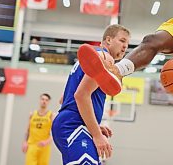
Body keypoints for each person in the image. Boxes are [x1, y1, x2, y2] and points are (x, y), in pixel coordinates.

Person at [51, 24, 130, 164]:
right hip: (73, 125)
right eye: (122, 41)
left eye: (128, 43)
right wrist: (97, 134)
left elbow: (63, 99)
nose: (125, 47)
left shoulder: (90, 57)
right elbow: (81, 95)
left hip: (71, 123)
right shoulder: (105, 58)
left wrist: (91, 123)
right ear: (109, 39)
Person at [22, 93, 54, 165]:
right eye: (42, 99)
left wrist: (47, 141)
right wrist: (25, 142)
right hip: (32, 145)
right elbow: (28, 130)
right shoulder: (32, 114)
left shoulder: (51, 115)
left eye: (46, 100)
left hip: (44, 146)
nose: (44, 101)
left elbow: (54, 133)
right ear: (39, 100)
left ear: (48, 102)